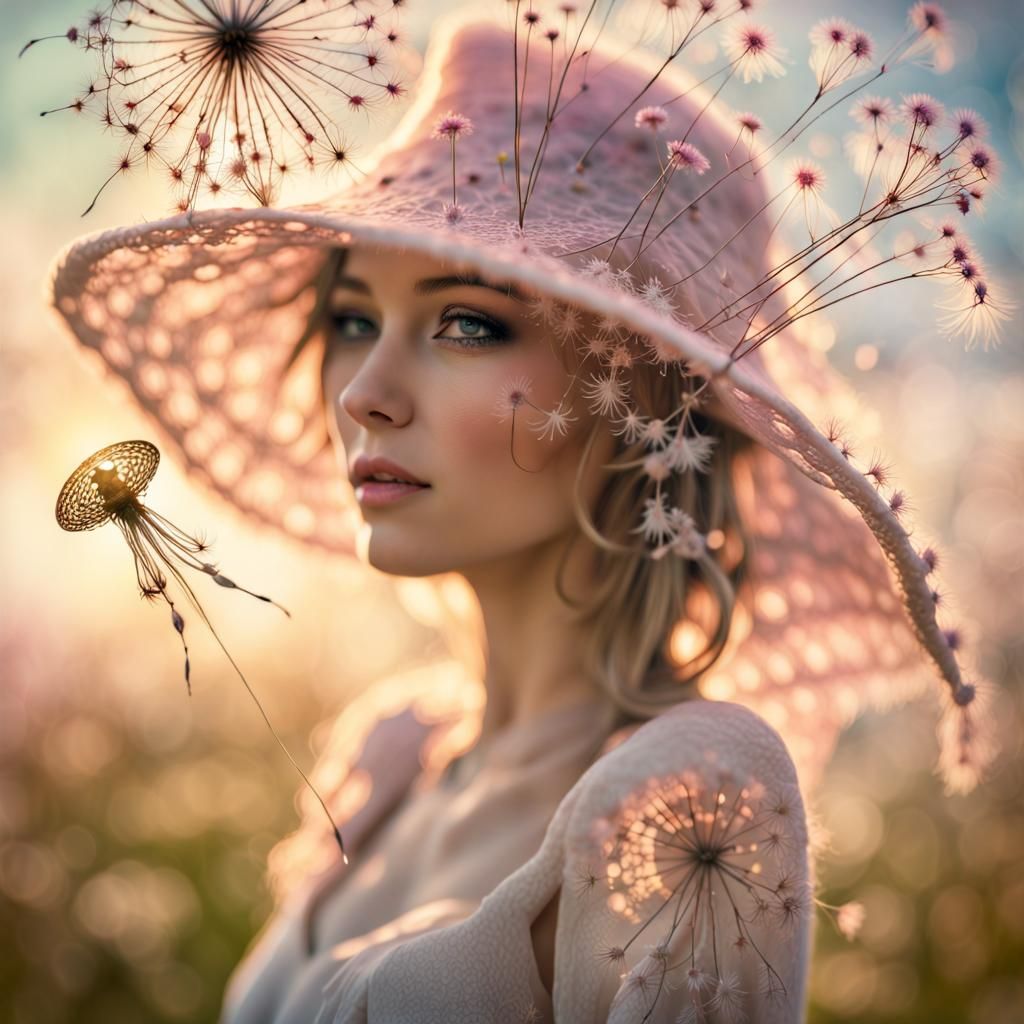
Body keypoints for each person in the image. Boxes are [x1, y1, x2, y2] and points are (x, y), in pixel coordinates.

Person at [47, 6, 995, 1022]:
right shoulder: (396, 756)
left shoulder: (689, 796)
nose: (365, 389)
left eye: (467, 322)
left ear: (640, 402)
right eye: (351, 316)